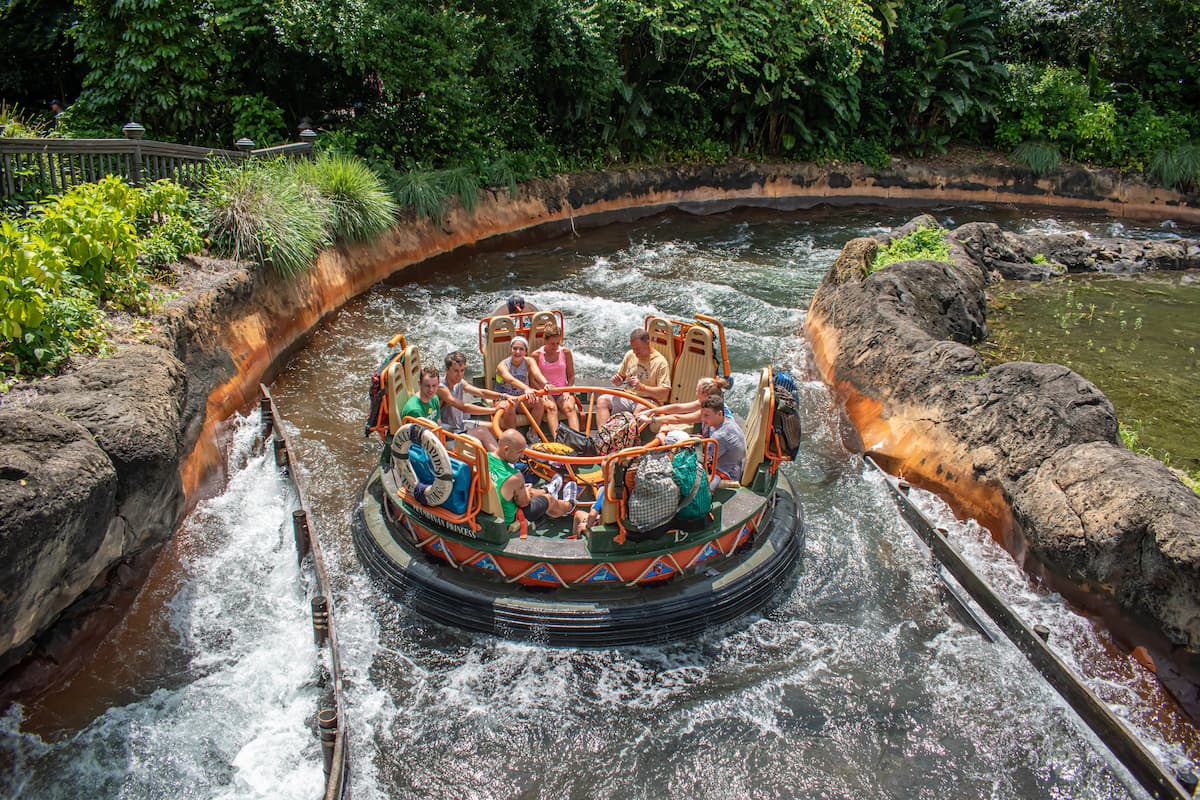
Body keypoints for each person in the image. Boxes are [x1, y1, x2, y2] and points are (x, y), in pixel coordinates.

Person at [489, 428, 576, 531]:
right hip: (507, 521)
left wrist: (522, 489)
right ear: (506, 449)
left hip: (488, 509)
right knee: (548, 499)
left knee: (520, 490)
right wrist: (525, 491)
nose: (522, 456)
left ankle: (547, 489)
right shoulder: (515, 477)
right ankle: (569, 505)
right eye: (519, 452)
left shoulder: (483, 458)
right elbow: (524, 503)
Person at [597, 328, 670, 426]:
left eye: (638, 349)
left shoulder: (660, 362)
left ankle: (627, 439)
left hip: (648, 400)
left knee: (639, 410)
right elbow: (621, 377)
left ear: (647, 343)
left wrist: (642, 387)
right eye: (633, 348)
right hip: (629, 396)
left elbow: (664, 392)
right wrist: (618, 380)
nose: (635, 352)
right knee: (602, 400)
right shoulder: (630, 354)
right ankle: (603, 437)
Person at [493, 336, 557, 436]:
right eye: (515, 348)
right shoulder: (502, 365)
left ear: (525, 352)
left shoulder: (529, 361)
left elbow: (536, 373)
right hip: (505, 398)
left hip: (521, 398)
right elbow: (511, 380)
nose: (517, 352)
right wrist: (527, 389)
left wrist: (546, 383)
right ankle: (513, 438)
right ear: (511, 350)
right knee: (510, 406)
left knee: (539, 402)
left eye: (521, 349)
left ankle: (532, 434)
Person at [437, 351, 500, 451]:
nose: (460, 375)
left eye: (462, 370)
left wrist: (504, 396)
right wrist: (494, 410)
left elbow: (481, 392)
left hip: (460, 425)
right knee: (482, 431)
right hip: (448, 433)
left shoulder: (460, 382)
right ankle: (499, 462)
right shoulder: (441, 388)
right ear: (447, 370)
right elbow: (464, 408)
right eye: (456, 371)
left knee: (494, 428)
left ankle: (491, 456)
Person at [530, 322, 581, 430]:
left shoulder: (566, 352)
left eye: (558, 343)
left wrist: (567, 389)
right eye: (552, 343)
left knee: (570, 408)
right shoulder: (536, 355)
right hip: (545, 391)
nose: (555, 346)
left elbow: (571, 376)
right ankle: (556, 440)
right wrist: (541, 391)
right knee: (551, 407)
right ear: (545, 340)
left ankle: (577, 439)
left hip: (562, 390)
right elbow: (532, 380)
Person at [637, 376, 730, 427]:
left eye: (697, 390)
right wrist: (651, 411)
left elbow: (678, 419)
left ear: (705, 395)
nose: (696, 392)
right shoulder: (708, 401)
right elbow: (678, 408)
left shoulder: (708, 410)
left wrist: (650, 420)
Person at [699, 394, 746, 486]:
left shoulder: (720, 436)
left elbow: (703, 460)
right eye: (702, 415)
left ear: (719, 413)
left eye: (707, 415)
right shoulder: (728, 422)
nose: (703, 419)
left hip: (726, 474)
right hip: (732, 468)